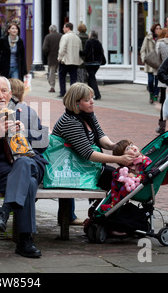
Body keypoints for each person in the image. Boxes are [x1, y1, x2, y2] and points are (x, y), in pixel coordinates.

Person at [0, 77, 49, 258]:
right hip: (1, 170)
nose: (0, 95)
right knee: (28, 183)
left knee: (24, 163)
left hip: (32, 163)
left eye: (4, 91)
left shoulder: (26, 112)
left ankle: (5, 211)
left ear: (10, 93)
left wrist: (25, 133)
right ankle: (25, 240)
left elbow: (44, 143)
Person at [51, 83, 136, 224]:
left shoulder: (88, 115)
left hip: (80, 164)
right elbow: (88, 153)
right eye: (87, 99)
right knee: (117, 178)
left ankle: (104, 215)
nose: (92, 101)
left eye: (92, 98)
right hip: (71, 167)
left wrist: (114, 146)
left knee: (118, 175)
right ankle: (104, 217)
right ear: (76, 103)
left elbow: (100, 136)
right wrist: (118, 158)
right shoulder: (70, 121)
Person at [100, 140, 152, 212]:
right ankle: (113, 201)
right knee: (114, 181)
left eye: (131, 145)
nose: (132, 147)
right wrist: (122, 176)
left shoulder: (145, 160)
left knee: (125, 187)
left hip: (141, 186)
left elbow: (147, 174)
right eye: (127, 149)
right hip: (130, 184)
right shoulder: (128, 164)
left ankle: (115, 205)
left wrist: (135, 177)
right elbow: (120, 173)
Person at [57, 22, 83, 97]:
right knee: (73, 79)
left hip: (65, 61)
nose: (63, 29)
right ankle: (73, 94)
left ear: (68, 28)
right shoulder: (77, 38)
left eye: (64, 27)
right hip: (75, 61)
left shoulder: (65, 36)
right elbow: (80, 49)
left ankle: (62, 92)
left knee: (62, 77)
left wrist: (59, 58)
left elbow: (62, 49)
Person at [79, 30, 105, 100]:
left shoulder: (89, 42)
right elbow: (101, 52)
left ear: (90, 35)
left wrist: (79, 52)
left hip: (90, 63)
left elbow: (86, 53)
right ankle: (90, 93)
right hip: (97, 63)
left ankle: (97, 94)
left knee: (92, 78)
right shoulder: (99, 43)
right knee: (90, 78)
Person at [140, 23, 161, 104]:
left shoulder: (161, 39)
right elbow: (143, 49)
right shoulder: (148, 38)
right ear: (153, 30)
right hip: (150, 63)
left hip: (158, 63)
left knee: (157, 81)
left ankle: (156, 95)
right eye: (157, 28)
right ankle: (151, 94)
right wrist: (144, 59)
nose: (158, 30)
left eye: (159, 28)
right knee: (150, 80)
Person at [42, 25, 62, 93]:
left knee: (52, 73)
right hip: (61, 57)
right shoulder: (61, 36)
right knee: (61, 73)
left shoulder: (48, 37)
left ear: (50, 30)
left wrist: (47, 54)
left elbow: (45, 48)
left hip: (51, 57)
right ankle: (61, 87)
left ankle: (52, 87)